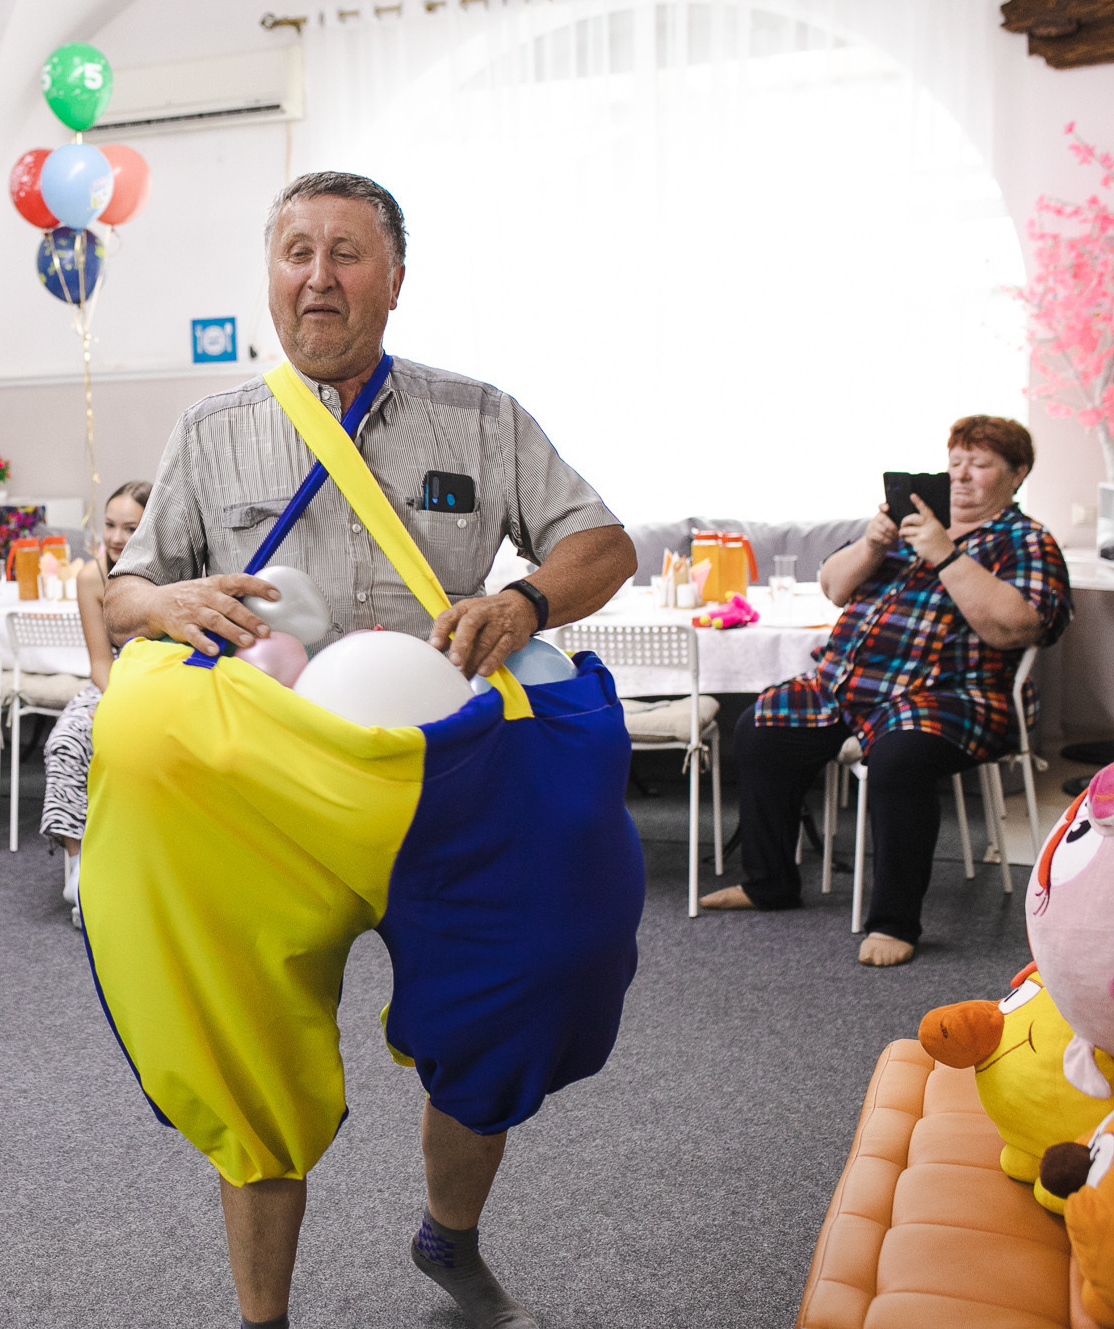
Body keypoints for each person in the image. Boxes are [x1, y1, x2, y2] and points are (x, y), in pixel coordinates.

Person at [98, 172, 639, 1329]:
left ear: (394, 279)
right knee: (238, 1045)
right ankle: (263, 1320)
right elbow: (126, 588)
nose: (317, 276)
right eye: (295, 251)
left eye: (345, 253)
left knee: (516, 993)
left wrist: (527, 601)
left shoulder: (479, 414)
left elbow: (602, 543)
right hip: (265, 781)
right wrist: (162, 597)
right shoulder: (212, 427)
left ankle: (449, 1241)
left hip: (446, 771)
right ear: (269, 276)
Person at [699, 416, 1071, 967]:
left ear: (1017, 475)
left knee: (901, 758)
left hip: (955, 696)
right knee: (762, 726)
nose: (963, 475)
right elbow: (832, 587)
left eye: (982, 464)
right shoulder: (907, 524)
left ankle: (895, 922)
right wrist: (873, 544)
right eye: (956, 463)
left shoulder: (1026, 541)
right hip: (845, 687)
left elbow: (1014, 627)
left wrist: (946, 554)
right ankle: (769, 883)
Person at [39, 481, 150, 918]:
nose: (116, 537)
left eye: (129, 527)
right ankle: (78, 869)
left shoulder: (169, 568)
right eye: (109, 525)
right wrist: (119, 699)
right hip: (113, 680)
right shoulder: (92, 575)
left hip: (161, 677)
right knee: (68, 739)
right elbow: (100, 662)